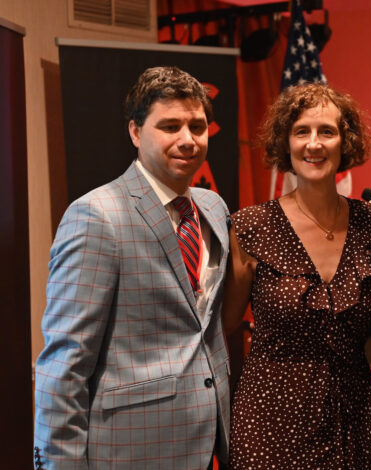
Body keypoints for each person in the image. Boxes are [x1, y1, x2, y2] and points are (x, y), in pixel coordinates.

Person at [33, 66, 231, 468]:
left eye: (197, 126)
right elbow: (65, 365)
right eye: (170, 126)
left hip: (207, 442)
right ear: (136, 133)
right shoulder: (95, 216)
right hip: (130, 450)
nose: (187, 139)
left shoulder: (213, 207)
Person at [222, 83, 371, 469]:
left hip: (356, 418)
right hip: (270, 424)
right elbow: (224, 326)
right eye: (302, 131)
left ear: (346, 142)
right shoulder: (251, 227)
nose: (315, 144)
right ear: (285, 143)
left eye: (327, 131)